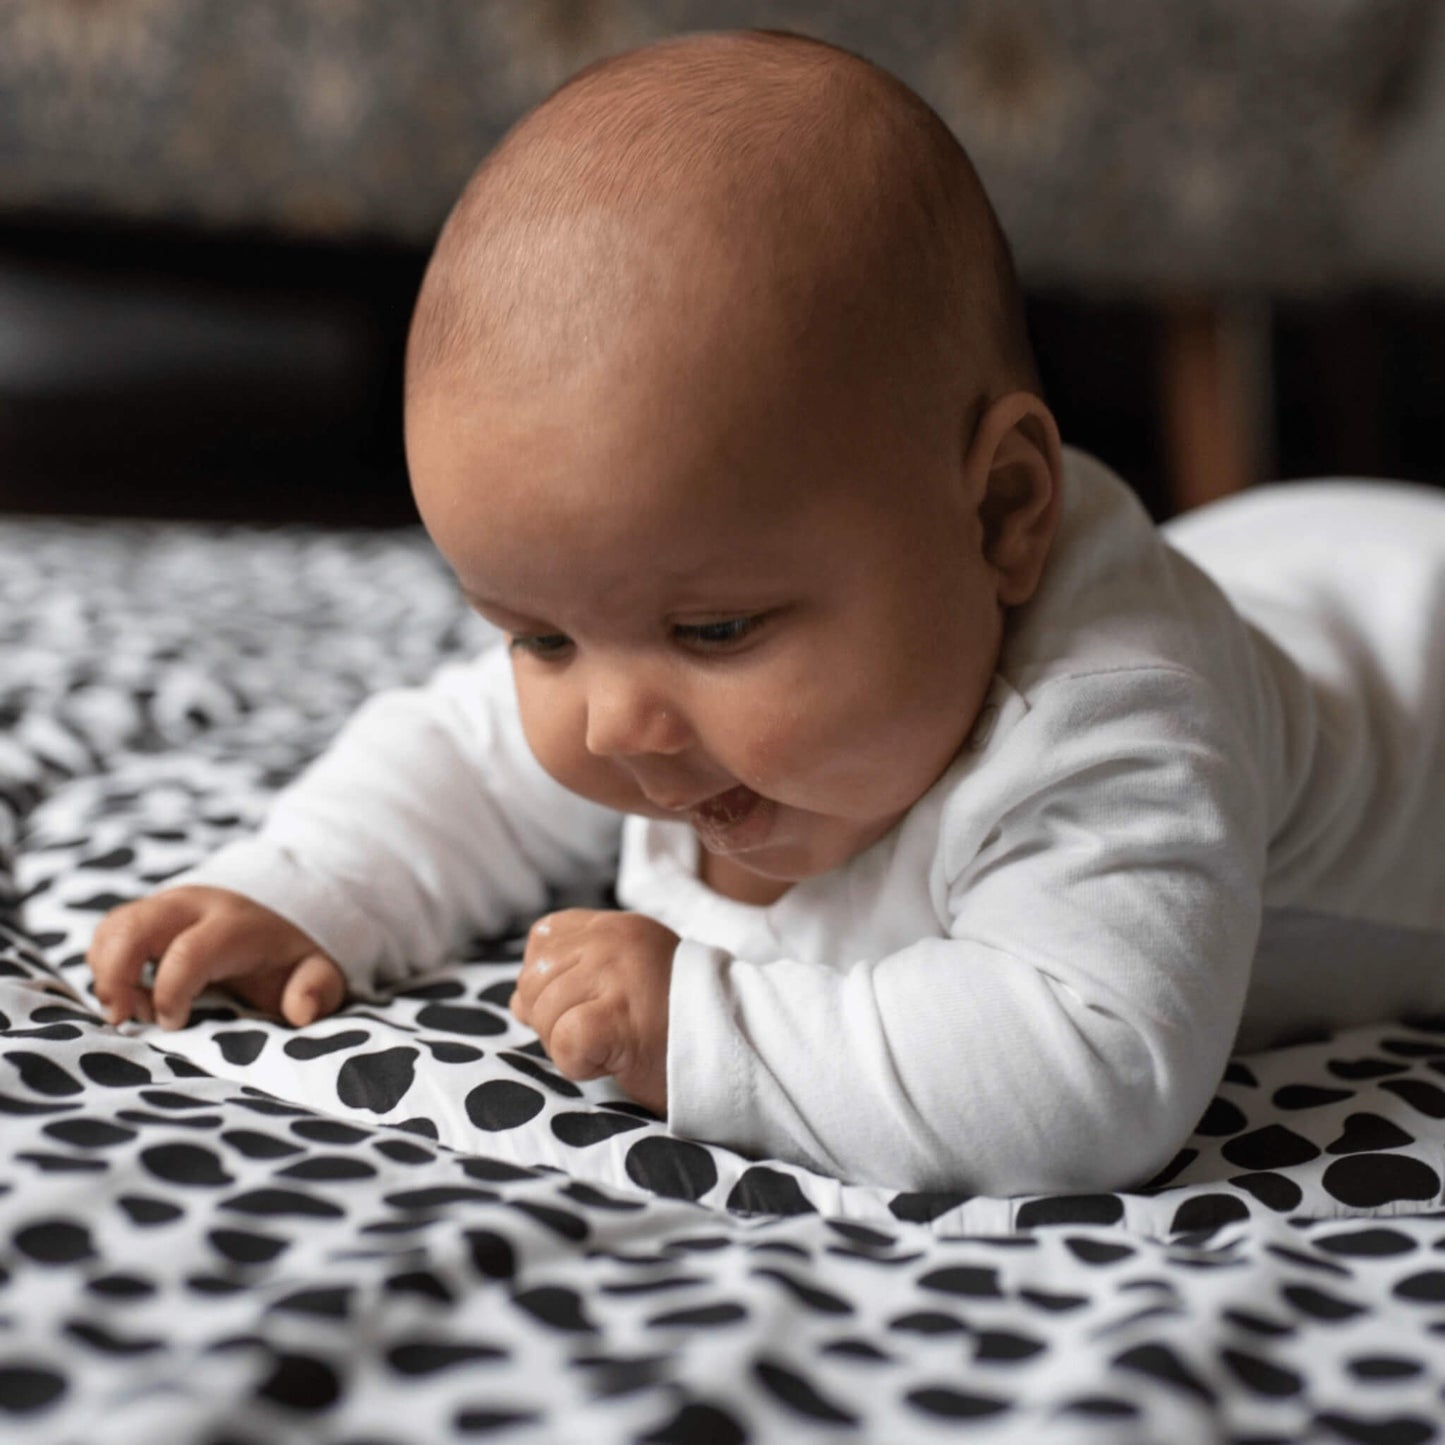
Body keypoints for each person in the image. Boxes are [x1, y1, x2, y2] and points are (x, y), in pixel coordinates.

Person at [85, 30, 1445, 1194]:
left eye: (718, 630)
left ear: (995, 516)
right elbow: (464, 758)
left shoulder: (1110, 725)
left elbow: (1089, 1071)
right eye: (539, 635)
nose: (613, 719)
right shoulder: (674, 642)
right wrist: (305, 886)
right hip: (1273, 568)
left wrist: (702, 1025)